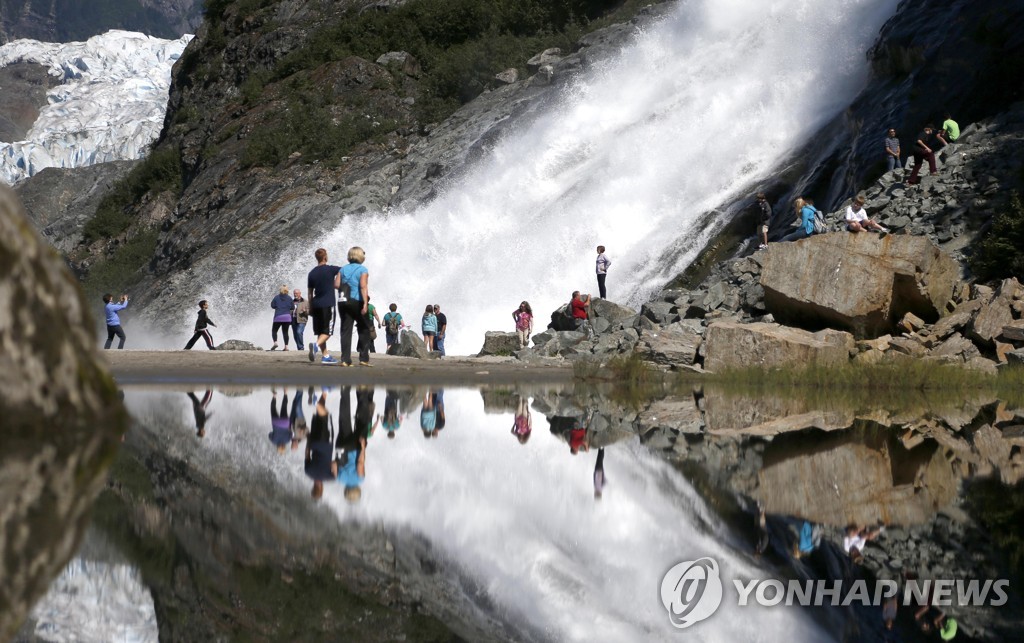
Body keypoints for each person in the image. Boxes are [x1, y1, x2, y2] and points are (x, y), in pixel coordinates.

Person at [337, 247, 372, 367]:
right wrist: (365, 304)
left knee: (346, 331)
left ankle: (345, 360)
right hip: (357, 301)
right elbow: (363, 286)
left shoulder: (342, 269)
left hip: (343, 301)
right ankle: (363, 359)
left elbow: (336, 284)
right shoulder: (362, 269)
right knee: (364, 329)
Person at [335, 386, 370, 503]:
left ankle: (362, 391)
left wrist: (363, 448)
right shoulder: (339, 479)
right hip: (342, 446)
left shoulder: (360, 480)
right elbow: (334, 464)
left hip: (355, 446)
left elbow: (360, 463)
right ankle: (345, 390)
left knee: (363, 420)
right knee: (344, 418)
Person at [307, 248, 341, 364]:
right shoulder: (331, 269)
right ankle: (315, 346)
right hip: (328, 304)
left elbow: (310, 293)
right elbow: (345, 270)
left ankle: (325, 356)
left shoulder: (312, 273)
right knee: (327, 332)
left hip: (316, 304)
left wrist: (310, 307)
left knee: (320, 331)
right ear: (325, 257)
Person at [304, 391, 334, 499]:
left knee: (326, 416)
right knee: (319, 416)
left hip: (327, 444)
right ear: (313, 487)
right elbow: (307, 453)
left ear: (321, 489)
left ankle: (315, 401)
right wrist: (309, 438)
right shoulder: (308, 472)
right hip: (314, 443)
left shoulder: (330, 477)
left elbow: (335, 464)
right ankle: (324, 392)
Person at [270, 285, 293, 351]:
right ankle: (286, 347)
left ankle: (275, 342)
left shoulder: (276, 297)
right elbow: (292, 307)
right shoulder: (289, 298)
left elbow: (272, 305)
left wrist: (278, 307)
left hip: (278, 316)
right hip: (287, 317)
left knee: (274, 330)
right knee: (285, 332)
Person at [269, 389, 291, 454]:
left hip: (285, 423)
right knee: (273, 408)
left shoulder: (287, 440)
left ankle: (285, 392)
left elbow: (291, 433)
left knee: (284, 407)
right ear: (277, 447)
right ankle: (274, 395)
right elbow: (270, 434)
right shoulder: (273, 441)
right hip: (276, 423)